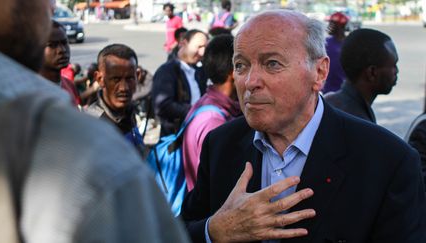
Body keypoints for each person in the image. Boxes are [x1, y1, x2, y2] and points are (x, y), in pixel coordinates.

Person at [181, 9, 426, 243]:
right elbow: (176, 231)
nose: (250, 81)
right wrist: (214, 231)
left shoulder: (389, 161)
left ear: (319, 72)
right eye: (241, 65)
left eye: (272, 64)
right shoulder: (220, 145)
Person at [0, 0, 190, 242]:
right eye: (52, 44)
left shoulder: (109, 120)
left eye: (130, 78)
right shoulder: (92, 148)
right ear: (100, 78)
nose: (52, 7)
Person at [182, 34, 241, 191]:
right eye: (244, 65)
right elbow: (220, 183)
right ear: (233, 72)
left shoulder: (209, 103)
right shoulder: (213, 120)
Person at [324, 28, 399, 123]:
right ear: (372, 73)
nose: (396, 71)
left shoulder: (329, 102)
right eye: (393, 65)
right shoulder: (358, 123)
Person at [85, 44, 144, 152]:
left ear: (138, 76)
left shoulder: (127, 112)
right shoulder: (90, 125)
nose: (123, 88)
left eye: (129, 78)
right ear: (100, 79)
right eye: (115, 79)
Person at [152, 29, 208, 136]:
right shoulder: (167, 71)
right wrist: (196, 112)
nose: (202, 52)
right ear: (184, 43)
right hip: (176, 138)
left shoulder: (199, 70)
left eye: (205, 47)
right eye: (199, 47)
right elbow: (162, 105)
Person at [39, 20, 81, 106]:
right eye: (52, 45)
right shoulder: (31, 91)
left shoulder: (69, 85)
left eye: (64, 43)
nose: (62, 50)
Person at [321, 12, 348, 94]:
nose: (329, 26)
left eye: (332, 23)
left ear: (341, 26)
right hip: (327, 91)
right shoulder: (326, 42)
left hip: (344, 92)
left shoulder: (350, 44)